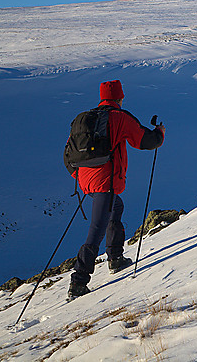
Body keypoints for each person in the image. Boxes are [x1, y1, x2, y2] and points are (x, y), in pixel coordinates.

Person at [67, 80, 165, 300]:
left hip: (86, 180)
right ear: (120, 97)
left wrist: (82, 175)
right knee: (96, 228)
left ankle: (115, 257)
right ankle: (79, 281)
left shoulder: (85, 119)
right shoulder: (119, 118)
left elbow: (68, 156)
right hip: (105, 183)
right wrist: (159, 134)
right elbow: (144, 141)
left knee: (116, 207)